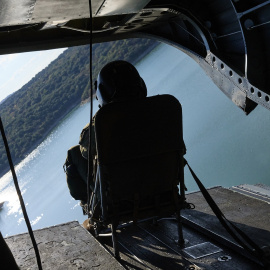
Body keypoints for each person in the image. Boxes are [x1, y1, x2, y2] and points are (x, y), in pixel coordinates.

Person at [64, 60, 147, 212]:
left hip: (120, 200)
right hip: (163, 186)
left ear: (103, 93)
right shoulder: (164, 108)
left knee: (74, 153)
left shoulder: (101, 126)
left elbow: (85, 151)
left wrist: (104, 113)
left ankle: (91, 206)